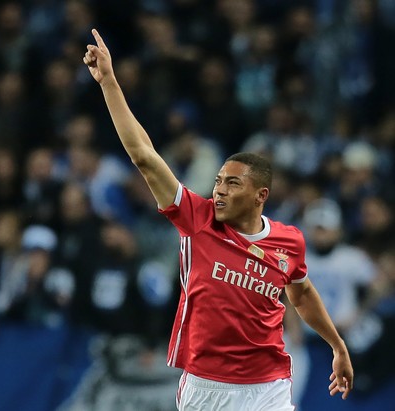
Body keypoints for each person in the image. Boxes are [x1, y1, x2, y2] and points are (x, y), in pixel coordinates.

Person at [83, 29, 353, 410]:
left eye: (233, 183)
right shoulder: (197, 219)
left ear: (261, 195)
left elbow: (302, 292)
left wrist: (336, 345)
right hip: (206, 388)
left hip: (269, 385)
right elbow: (143, 155)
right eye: (218, 181)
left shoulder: (289, 241)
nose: (220, 190)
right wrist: (109, 82)